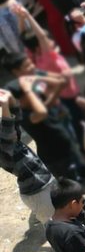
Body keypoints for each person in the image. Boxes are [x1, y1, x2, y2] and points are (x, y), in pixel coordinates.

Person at [0, 86, 58, 229]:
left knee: (64, 212)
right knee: (55, 225)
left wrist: (11, 101)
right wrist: (5, 105)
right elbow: (7, 134)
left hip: (45, 179)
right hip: (37, 192)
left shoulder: (11, 140)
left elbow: (15, 123)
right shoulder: (5, 146)